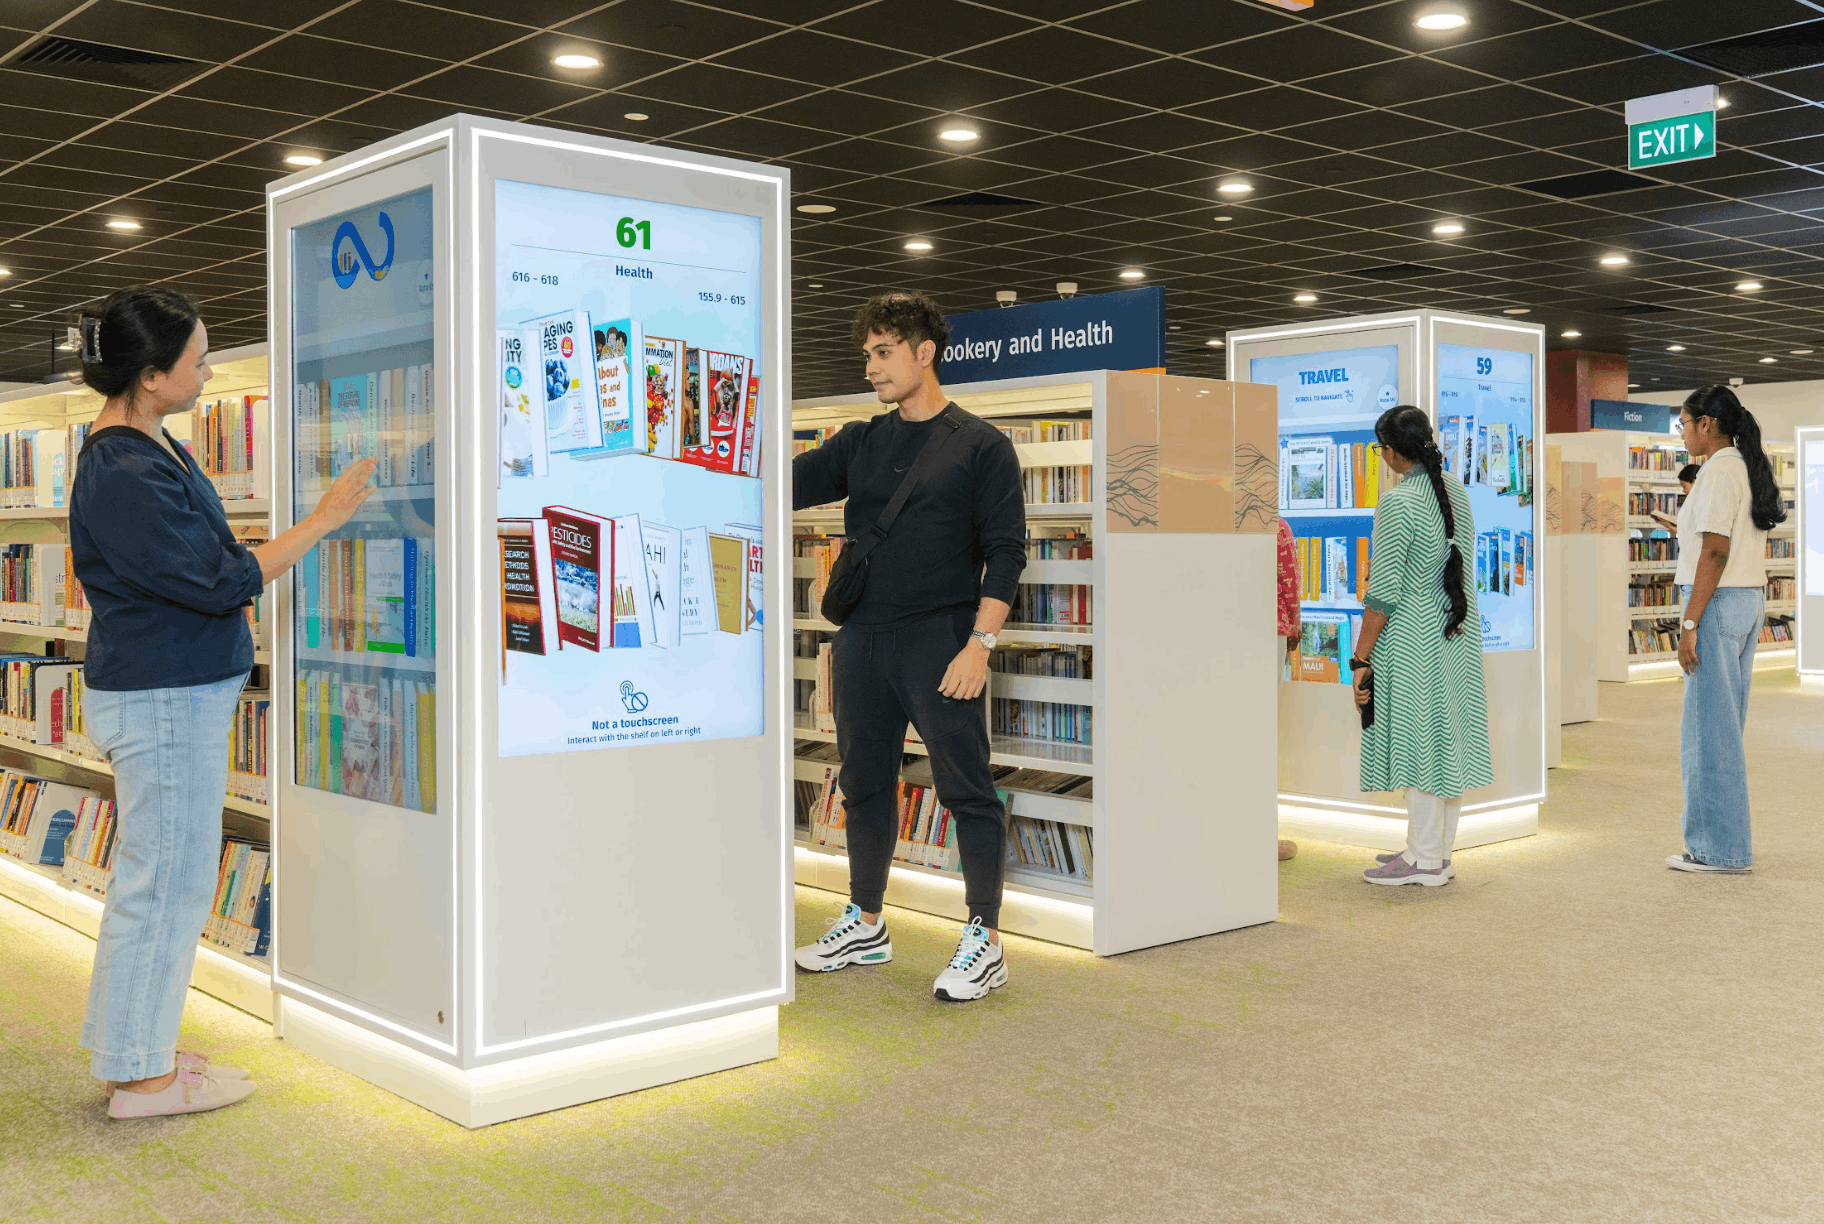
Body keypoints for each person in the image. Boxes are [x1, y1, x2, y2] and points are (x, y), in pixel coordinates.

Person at [71, 288, 377, 1118]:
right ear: (151, 374)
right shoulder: (123, 469)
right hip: (163, 699)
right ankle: (142, 1081)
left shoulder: (145, 445)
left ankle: (137, 1053)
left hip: (170, 693)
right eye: (198, 360)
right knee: (164, 888)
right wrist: (322, 521)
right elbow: (220, 579)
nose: (208, 372)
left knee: (161, 881)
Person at [791, 290, 1026, 1001]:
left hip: (941, 640)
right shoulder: (861, 441)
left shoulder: (982, 446)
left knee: (967, 789)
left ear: (925, 353)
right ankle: (866, 923)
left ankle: (986, 940)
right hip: (862, 639)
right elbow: (782, 485)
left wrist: (980, 644)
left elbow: (1006, 553)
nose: (871, 366)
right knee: (862, 782)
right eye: (867, 353)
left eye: (883, 351)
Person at [1351, 406, 1493, 886]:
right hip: (1457, 633)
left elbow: (1383, 592)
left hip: (1413, 641)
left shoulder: (1398, 503)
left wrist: (1360, 656)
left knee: (1417, 743)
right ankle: (1433, 851)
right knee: (1446, 740)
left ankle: (1424, 860)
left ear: (1391, 452)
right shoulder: (1453, 489)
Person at [1667, 385, 1784, 874]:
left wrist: (1690, 622)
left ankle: (1718, 850)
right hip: (1746, 600)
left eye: (1684, 424)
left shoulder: (1717, 471)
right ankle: (1723, 843)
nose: (1682, 434)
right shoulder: (1744, 467)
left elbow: (1715, 551)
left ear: (1706, 425)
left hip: (1716, 604)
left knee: (1708, 732)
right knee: (1724, 728)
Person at [1276, 517, 1299, 862]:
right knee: (1262, 732)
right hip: (1271, 627)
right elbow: (1289, 584)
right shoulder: (1276, 527)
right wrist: (1295, 628)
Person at [1649, 461, 1703, 532]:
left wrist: (1670, 526)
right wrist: (1669, 525)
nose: (1683, 491)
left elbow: (1692, 534)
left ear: (1694, 482)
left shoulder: (1703, 504)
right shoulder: (1697, 502)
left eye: (1684, 486)